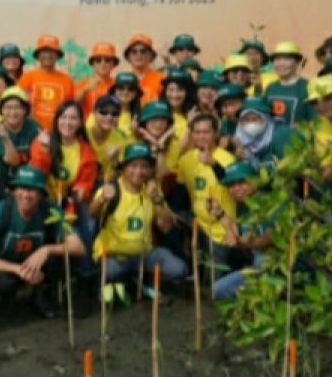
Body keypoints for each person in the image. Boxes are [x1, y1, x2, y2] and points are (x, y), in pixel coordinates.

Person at [0, 165, 85, 319]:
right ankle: (8, 300)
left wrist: (47, 250)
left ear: (41, 194)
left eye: (32, 190)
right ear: (14, 191)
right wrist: (17, 269)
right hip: (8, 266)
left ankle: (42, 295)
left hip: (38, 263)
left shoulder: (50, 211)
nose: (26, 195)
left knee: (64, 257)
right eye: (22, 188)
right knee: (3, 282)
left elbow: (79, 247)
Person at [89, 143, 186, 295]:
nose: (138, 171)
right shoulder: (112, 189)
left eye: (144, 166)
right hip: (114, 256)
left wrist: (157, 199)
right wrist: (101, 199)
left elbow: (165, 227)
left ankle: (137, 280)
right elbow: (92, 213)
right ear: (124, 168)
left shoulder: (152, 190)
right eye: (133, 166)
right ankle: (136, 282)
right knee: (111, 271)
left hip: (143, 254)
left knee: (178, 269)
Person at [175, 113, 237, 274]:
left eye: (206, 132)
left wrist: (213, 165)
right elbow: (179, 199)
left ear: (216, 133)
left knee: (216, 285)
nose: (201, 136)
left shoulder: (227, 159)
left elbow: (235, 187)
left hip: (221, 230)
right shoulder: (185, 160)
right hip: (197, 226)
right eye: (197, 132)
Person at [210, 161, 272, 300]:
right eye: (231, 185)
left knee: (261, 261)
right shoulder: (242, 206)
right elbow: (238, 234)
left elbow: (268, 239)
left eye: (241, 182)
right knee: (218, 290)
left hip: (277, 266)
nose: (236, 189)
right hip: (257, 267)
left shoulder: (269, 201)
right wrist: (220, 214)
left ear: (254, 181)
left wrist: (241, 243)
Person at [30, 101, 98, 208]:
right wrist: (44, 151)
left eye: (73, 118)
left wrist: (73, 201)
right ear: (56, 120)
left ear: (80, 122)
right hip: (39, 199)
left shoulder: (87, 152)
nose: (67, 122)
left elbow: (83, 184)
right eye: (63, 117)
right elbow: (37, 176)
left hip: (68, 202)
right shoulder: (42, 141)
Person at [0, 87, 39, 199]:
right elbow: (13, 161)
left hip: (30, 184)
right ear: (1, 111)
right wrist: (6, 138)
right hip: (6, 186)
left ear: (25, 110)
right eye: (8, 108)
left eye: (17, 107)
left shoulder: (33, 127)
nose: (13, 112)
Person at [17, 34, 74, 130]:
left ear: (57, 55)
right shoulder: (26, 77)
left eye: (52, 52)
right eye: (44, 51)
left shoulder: (67, 80)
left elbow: (70, 109)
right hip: (31, 130)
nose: (48, 55)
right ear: (38, 55)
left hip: (59, 132)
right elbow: (19, 106)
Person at [303, 74, 332, 182]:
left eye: (327, 98)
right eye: (315, 102)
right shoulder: (319, 125)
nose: (321, 105)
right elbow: (326, 163)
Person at [233, 97, 292, 171]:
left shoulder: (282, 135)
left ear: (266, 118)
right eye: (246, 119)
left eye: (255, 118)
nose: (251, 123)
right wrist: (243, 160)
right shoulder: (240, 140)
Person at [263, 42, 312, 127]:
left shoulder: (308, 87)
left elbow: (314, 121)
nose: (281, 64)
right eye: (277, 59)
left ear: (297, 62)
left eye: (287, 59)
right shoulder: (270, 88)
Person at [86, 95, 132, 180]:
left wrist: (115, 161)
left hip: (103, 184)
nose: (109, 117)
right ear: (94, 113)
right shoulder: (83, 133)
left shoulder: (121, 140)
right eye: (103, 112)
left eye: (115, 114)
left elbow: (114, 180)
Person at [75, 42, 118, 118]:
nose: (103, 63)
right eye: (98, 60)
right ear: (92, 63)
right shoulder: (81, 84)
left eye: (107, 60)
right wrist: (85, 90)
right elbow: (73, 105)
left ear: (113, 64)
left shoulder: (118, 85)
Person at [124, 34, 163, 101]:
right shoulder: (123, 80)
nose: (139, 55)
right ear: (129, 56)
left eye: (143, 51)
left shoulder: (161, 79)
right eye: (134, 51)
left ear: (151, 55)